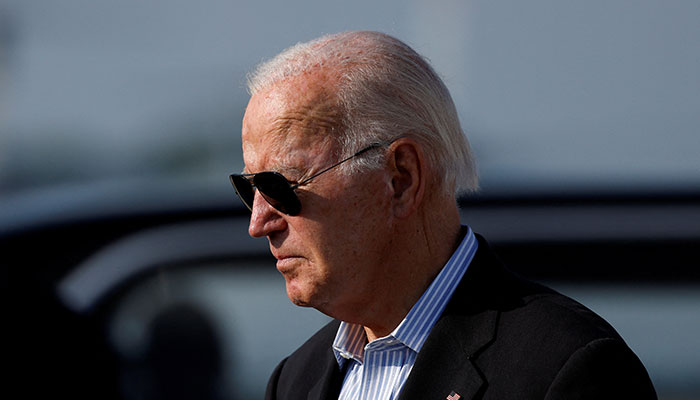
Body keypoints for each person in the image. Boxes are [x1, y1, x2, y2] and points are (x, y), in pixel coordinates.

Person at [229, 31, 656, 400]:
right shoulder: (296, 379)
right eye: (250, 190)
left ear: (401, 178)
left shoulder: (565, 370)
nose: (259, 222)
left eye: (281, 185)